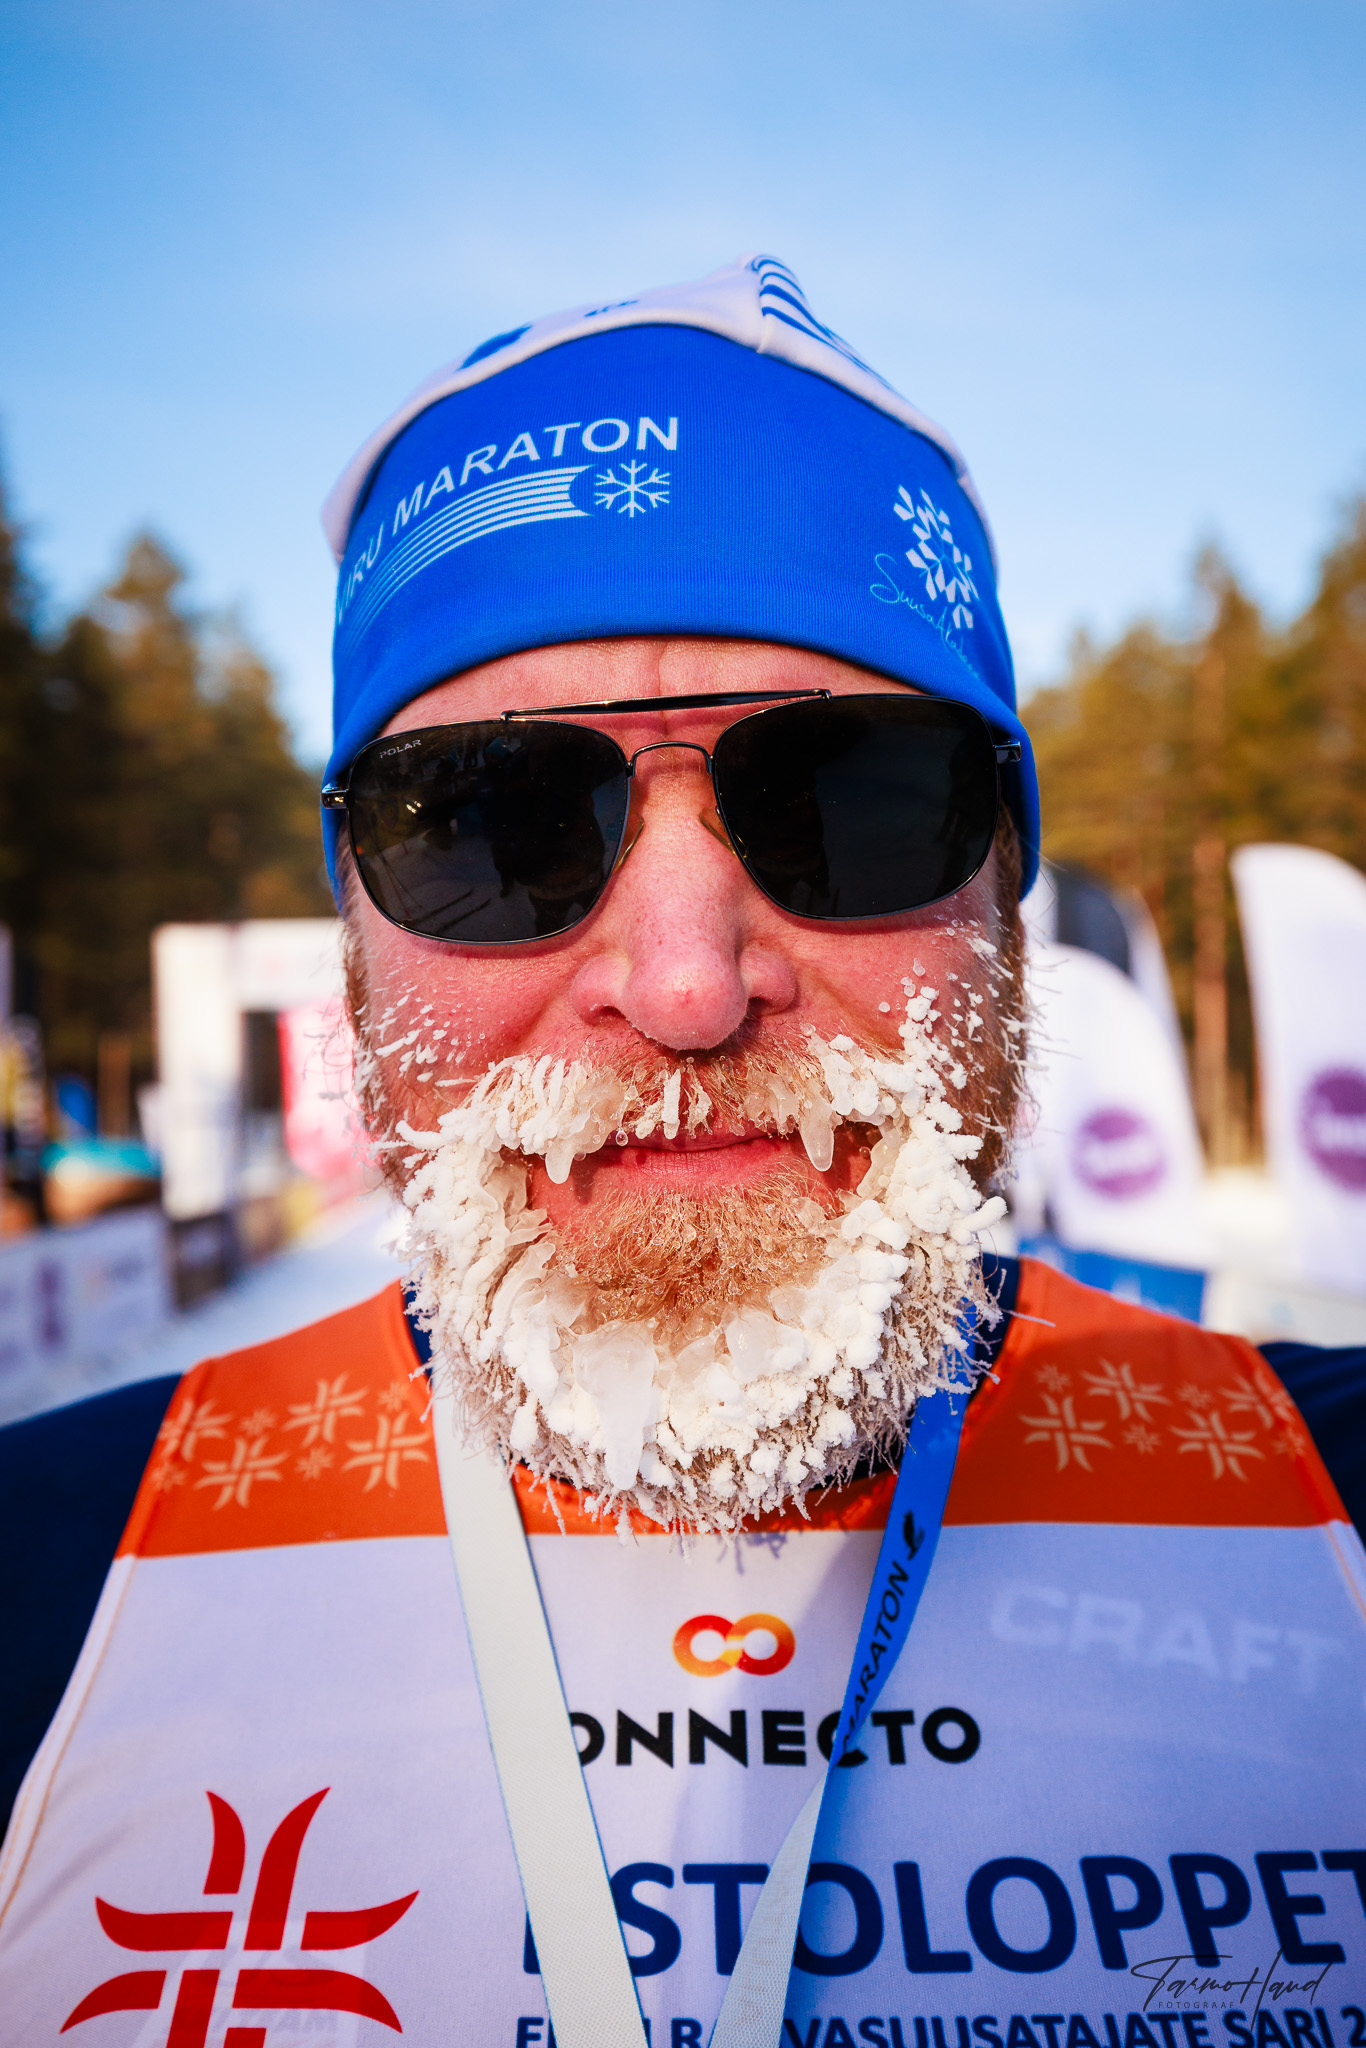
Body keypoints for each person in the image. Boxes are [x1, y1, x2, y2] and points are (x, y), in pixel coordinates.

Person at [2, 256, 1364, 2044]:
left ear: (1003, 903)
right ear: (354, 933)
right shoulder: (42, 1582)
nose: (685, 986)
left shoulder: (1329, 1509)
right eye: (489, 826)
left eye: (852, 799)